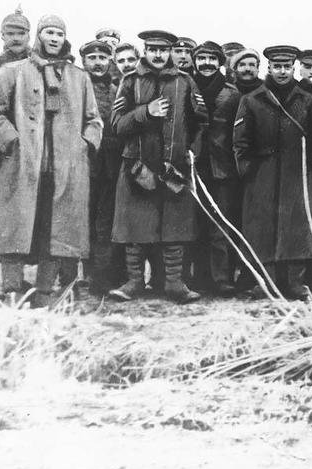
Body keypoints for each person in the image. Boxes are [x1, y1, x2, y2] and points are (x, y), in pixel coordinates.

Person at [0, 14, 103, 307]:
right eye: (48, 32)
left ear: (64, 38)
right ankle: (10, 291)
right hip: (22, 166)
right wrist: (11, 141)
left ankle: (45, 292)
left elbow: (94, 120)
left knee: (56, 230)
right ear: (39, 35)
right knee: (14, 228)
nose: (54, 38)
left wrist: (83, 145)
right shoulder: (13, 71)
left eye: (59, 34)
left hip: (64, 170)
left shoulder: (79, 77)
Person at [109, 29, 206, 303]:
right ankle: (134, 282)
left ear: (171, 52)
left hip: (174, 168)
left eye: (163, 50)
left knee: (174, 228)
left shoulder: (185, 82)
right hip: (136, 168)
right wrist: (145, 112)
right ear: (146, 51)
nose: (158, 55)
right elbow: (117, 125)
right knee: (135, 230)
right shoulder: (130, 81)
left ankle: (175, 283)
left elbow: (201, 123)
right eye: (153, 50)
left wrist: (192, 153)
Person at [233, 45, 312, 298]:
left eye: (287, 67)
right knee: (262, 228)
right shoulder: (252, 100)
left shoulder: (309, 100)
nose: (282, 71)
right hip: (261, 175)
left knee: (297, 228)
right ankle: (266, 281)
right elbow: (240, 142)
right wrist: (248, 170)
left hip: (298, 174)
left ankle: (295, 283)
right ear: (269, 68)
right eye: (277, 66)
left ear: (293, 68)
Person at [0, 6, 32, 303]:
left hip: (28, 156)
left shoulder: (36, 65)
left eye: (21, 32)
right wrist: (3, 142)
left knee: (19, 219)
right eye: (10, 32)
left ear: (29, 35)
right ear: (1, 35)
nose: (15, 38)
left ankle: (15, 281)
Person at [190, 41, 241, 296]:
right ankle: (198, 279)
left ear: (220, 62)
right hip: (193, 164)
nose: (207, 63)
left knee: (221, 223)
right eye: (202, 58)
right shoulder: (187, 86)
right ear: (195, 61)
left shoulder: (232, 93)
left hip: (223, 167)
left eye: (212, 58)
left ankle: (222, 278)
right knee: (195, 222)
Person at [80, 40, 126, 295]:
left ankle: (103, 276)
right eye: (92, 58)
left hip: (111, 164)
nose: (98, 62)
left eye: (102, 57)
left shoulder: (117, 89)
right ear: (84, 61)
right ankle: (84, 274)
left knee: (105, 221)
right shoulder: (76, 87)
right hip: (83, 163)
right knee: (83, 219)